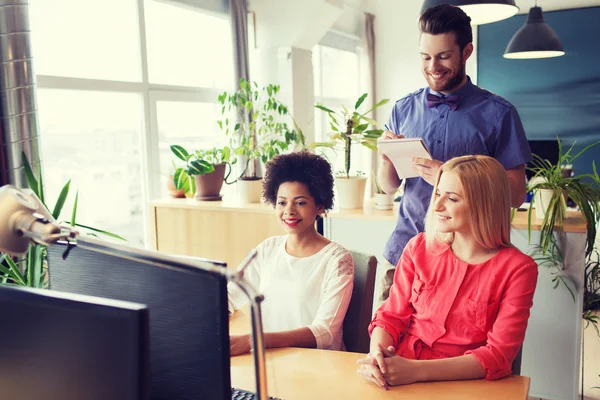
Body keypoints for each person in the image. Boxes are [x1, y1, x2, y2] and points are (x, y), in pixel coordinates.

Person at [376, 4, 532, 304]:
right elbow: (389, 186)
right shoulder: (402, 109)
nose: (433, 66)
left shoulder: (499, 115)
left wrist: (451, 178)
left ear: (467, 51)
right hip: (404, 254)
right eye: (425, 57)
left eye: (444, 56)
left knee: (450, 350)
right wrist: (386, 159)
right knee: (385, 346)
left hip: (469, 262)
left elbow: (514, 195)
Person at [358, 155, 538, 388]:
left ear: (484, 204)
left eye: (451, 198)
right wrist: (378, 357)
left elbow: (498, 355)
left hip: (465, 385)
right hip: (398, 377)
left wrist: (414, 371)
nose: (437, 205)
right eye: (438, 193)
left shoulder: (518, 270)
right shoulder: (418, 247)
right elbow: (390, 317)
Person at [228, 151, 354, 355]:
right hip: (270, 360)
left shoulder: (337, 260)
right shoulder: (267, 249)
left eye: (300, 202)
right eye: (282, 202)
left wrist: (254, 339)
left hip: (320, 365)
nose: (289, 211)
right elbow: (230, 296)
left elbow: (324, 333)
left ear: (320, 206)